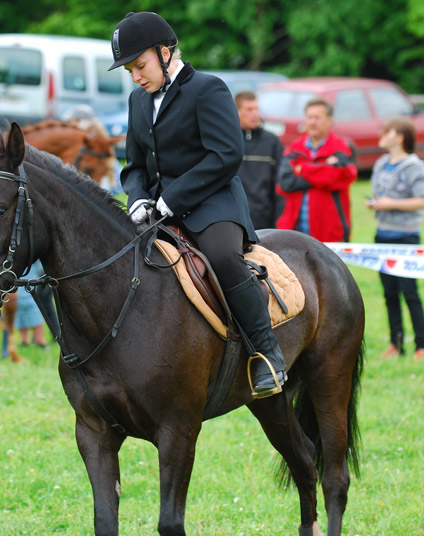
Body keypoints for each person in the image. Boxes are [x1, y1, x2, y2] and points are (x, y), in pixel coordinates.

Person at [110, 11, 285, 397]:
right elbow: (134, 164)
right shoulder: (138, 101)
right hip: (155, 210)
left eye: (141, 66)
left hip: (212, 205)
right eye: (130, 71)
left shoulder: (208, 88)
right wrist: (138, 197)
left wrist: (171, 198)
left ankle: (267, 353)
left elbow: (225, 155)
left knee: (222, 259)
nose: (137, 76)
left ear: (165, 52)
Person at [369, 118, 424, 360]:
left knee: (410, 292)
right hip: (382, 235)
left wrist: (391, 203)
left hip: (406, 237)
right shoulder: (381, 164)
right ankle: (396, 343)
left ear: (400, 137)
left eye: (387, 131)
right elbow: (379, 194)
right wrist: (376, 204)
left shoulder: (416, 167)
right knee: (389, 293)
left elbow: (423, 200)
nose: (382, 135)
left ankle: (422, 346)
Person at [276, 98, 357, 242]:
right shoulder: (294, 149)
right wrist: (323, 169)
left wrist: (303, 169)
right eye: (309, 117)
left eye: (317, 118)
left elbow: (333, 178)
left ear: (330, 120)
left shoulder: (341, 148)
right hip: (295, 231)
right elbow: (286, 183)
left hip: (330, 233)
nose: (312, 122)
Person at [234, 91, 284, 230]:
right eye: (249, 109)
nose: (254, 114)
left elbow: (279, 186)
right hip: (234, 219)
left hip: (265, 220)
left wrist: (278, 220)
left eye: (256, 109)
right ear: (236, 111)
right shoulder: (227, 141)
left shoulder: (272, 142)